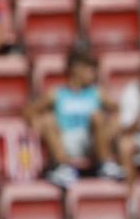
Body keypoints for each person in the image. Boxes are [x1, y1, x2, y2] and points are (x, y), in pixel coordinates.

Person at [31, 48, 115, 186]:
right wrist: (36, 123)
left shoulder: (96, 93)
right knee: (47, 119)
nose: (94, 74)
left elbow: (118, 110)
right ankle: (62, 168)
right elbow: (30, 110)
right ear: (77, 69)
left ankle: (106, 165)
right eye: (90, 70)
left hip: (90, 141)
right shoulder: (57, 93)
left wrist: (111, 127)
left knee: (97, 117)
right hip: (66, 140)